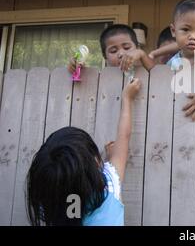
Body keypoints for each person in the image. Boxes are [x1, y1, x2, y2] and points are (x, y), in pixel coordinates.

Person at [26, 78, 142, 226]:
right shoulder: (110, 188)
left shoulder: (51, 203)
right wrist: (127, 98)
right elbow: (124, 137)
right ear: (96, 162)